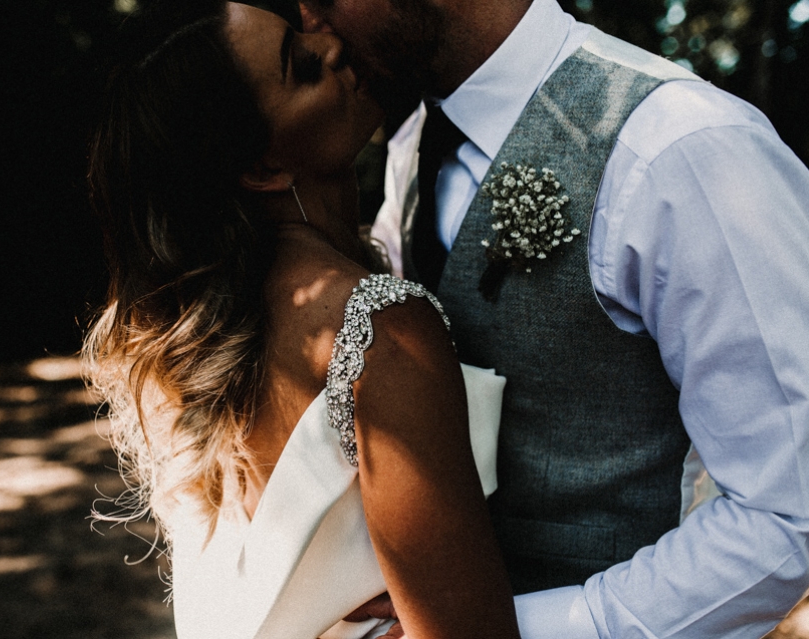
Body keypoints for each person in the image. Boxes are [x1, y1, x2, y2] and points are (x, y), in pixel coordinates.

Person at [300, 0, 809, 636]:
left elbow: (794, 510)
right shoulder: (417, 140)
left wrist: (517, 629)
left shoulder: (683, 146)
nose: (309, 23)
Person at [83, 1, 521, 637]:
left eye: (304, 32)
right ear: (264, 167)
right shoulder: (377, 329)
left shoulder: (198, 340)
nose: (334, 46)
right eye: (303, 66)